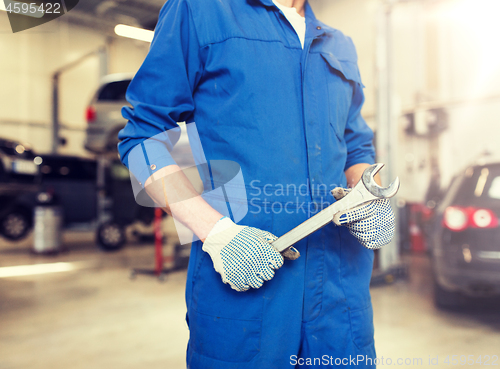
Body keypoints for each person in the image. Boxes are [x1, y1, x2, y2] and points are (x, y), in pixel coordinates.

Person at [117, 0, 395, 367]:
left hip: (341, 299)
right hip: (246, 294)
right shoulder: (200, 11)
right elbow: (142, 139)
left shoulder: (339, 44)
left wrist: (369, 198)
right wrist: (215, 233)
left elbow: (356, 144)